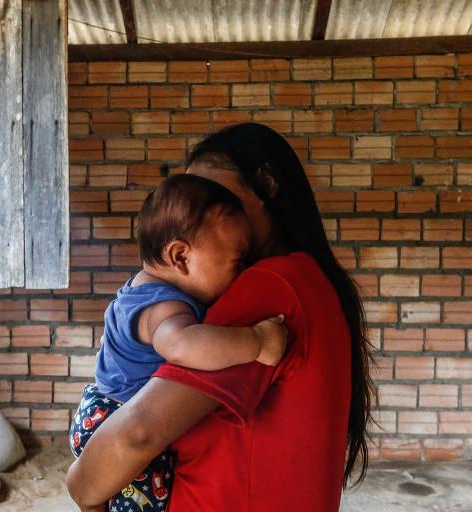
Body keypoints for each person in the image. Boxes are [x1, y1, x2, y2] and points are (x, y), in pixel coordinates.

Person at [66, 123, 374, 511]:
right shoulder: (309, 278)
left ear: (265, 186)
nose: (197, 210)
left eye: (214, 195)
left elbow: (137, 433)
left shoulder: (268, 287)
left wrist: (79, 486)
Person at [69, 174, 288, 511]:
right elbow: (182, 346)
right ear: (181, 257)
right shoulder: (165, 307)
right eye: (238, 261)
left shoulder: (143, 288)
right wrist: (256, 341)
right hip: (116, 422)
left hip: (101, 415)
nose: (243, 272)